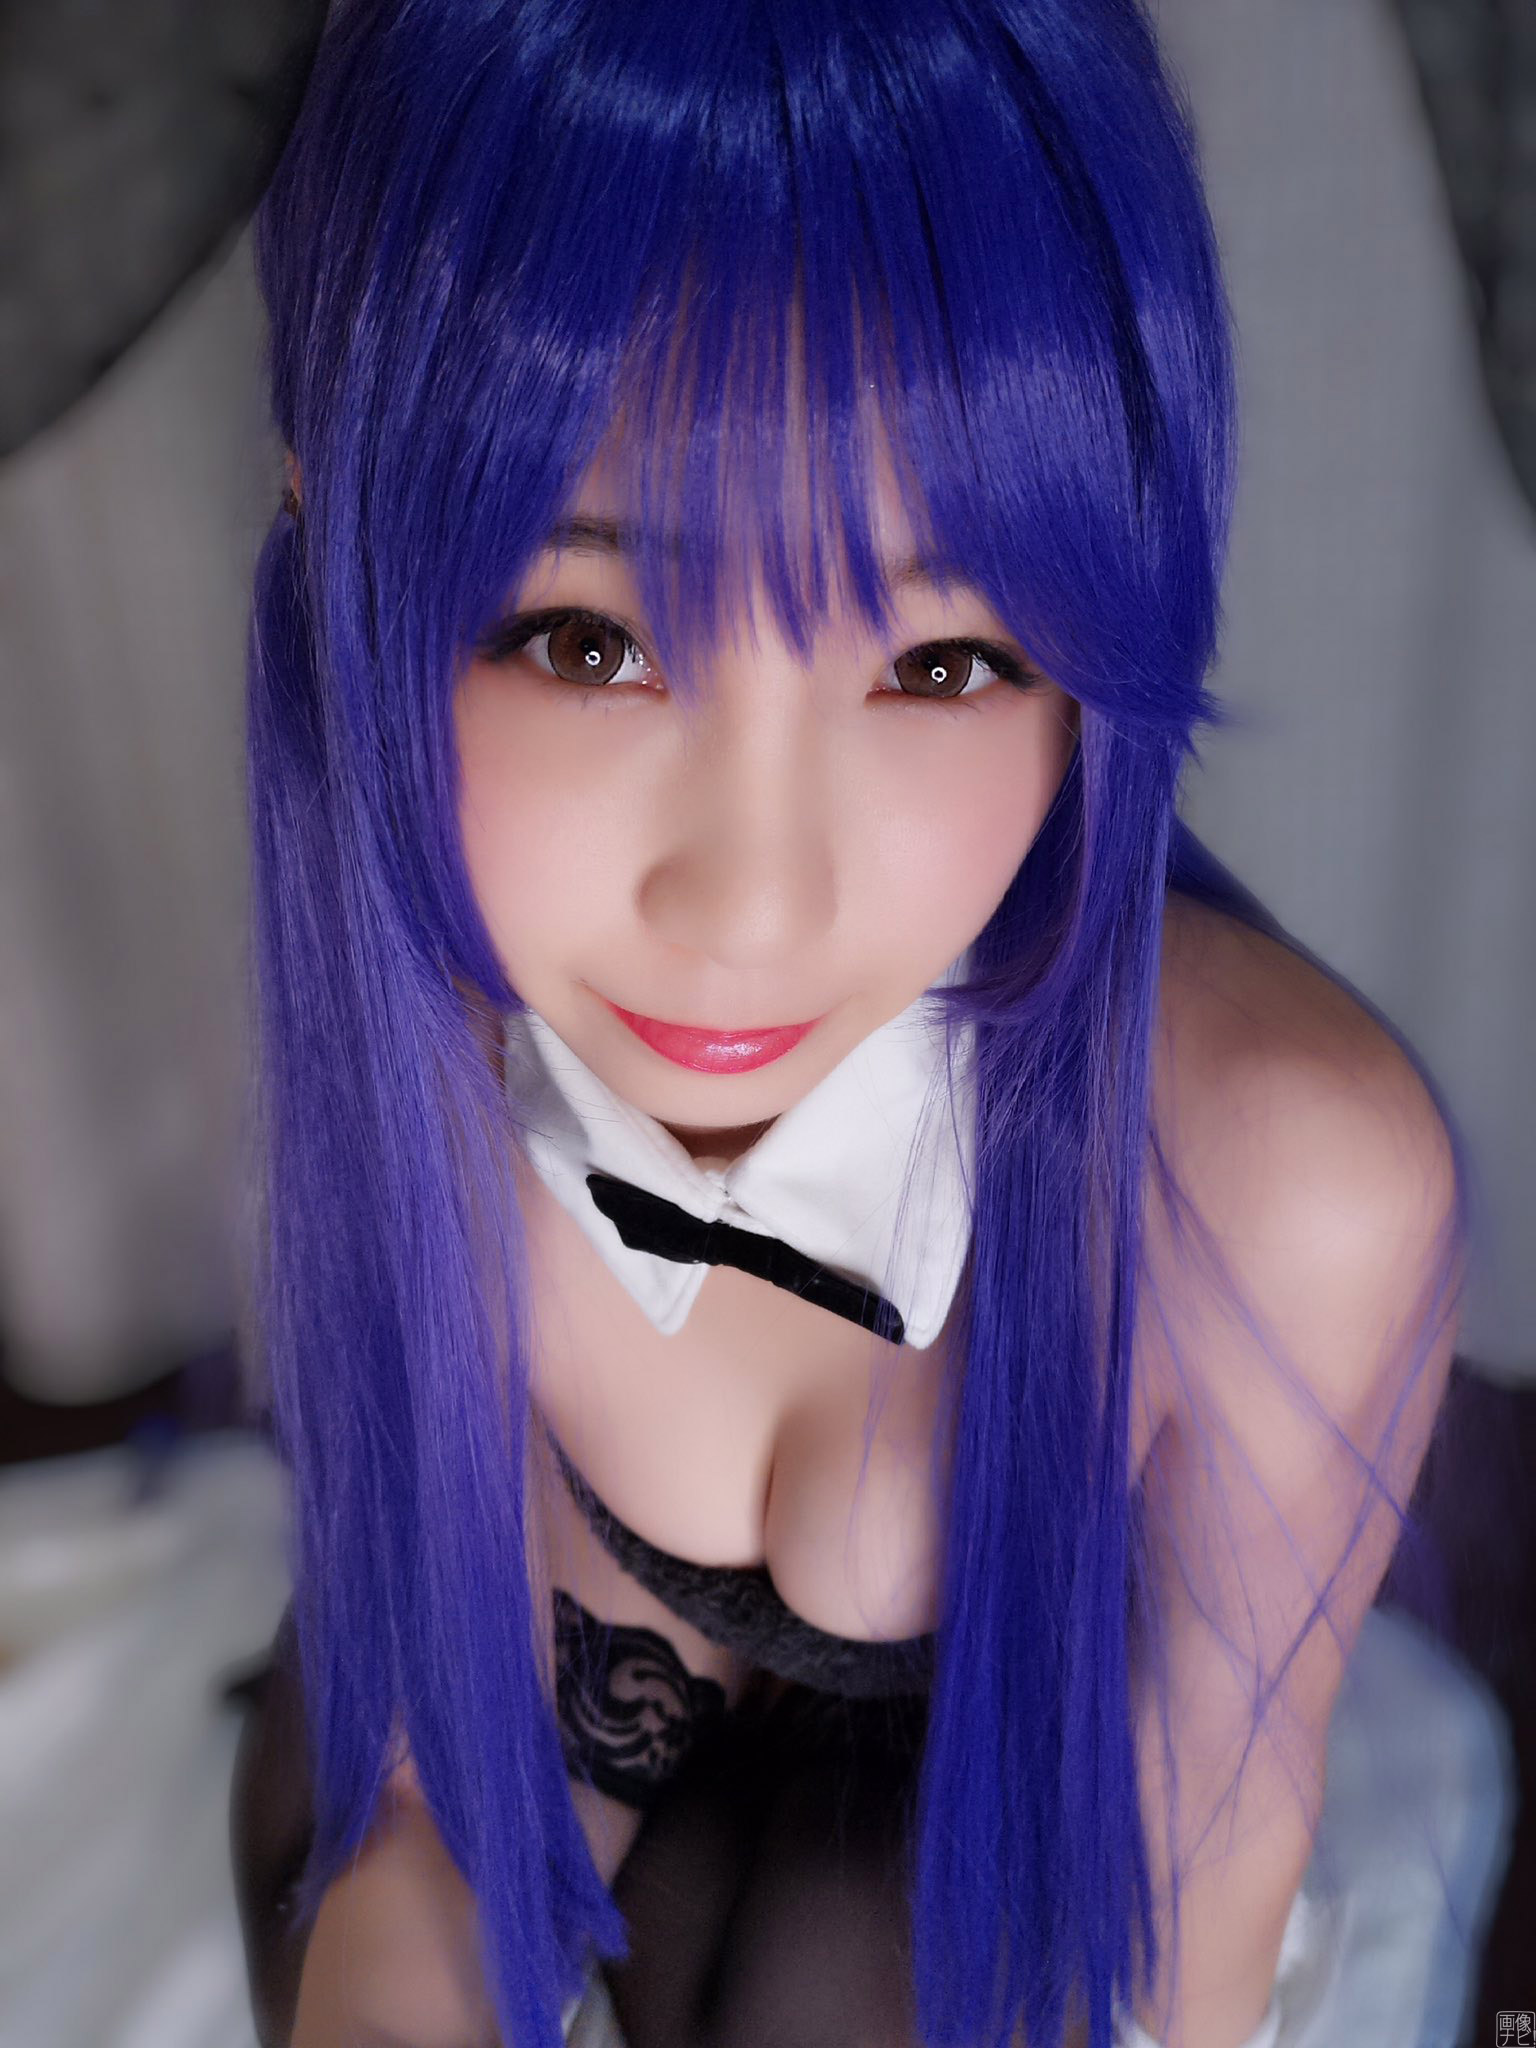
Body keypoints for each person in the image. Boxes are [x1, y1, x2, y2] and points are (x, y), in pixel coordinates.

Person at [229, 0, 1467, 2043]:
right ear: (329, 542)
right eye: (585, 640)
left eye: (944, 662)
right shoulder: (432, 979)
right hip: (531, 1666)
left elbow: (1217, 1845)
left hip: (967, 1784)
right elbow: (432, 1790)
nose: (753, 907)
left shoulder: (1280, 1178)